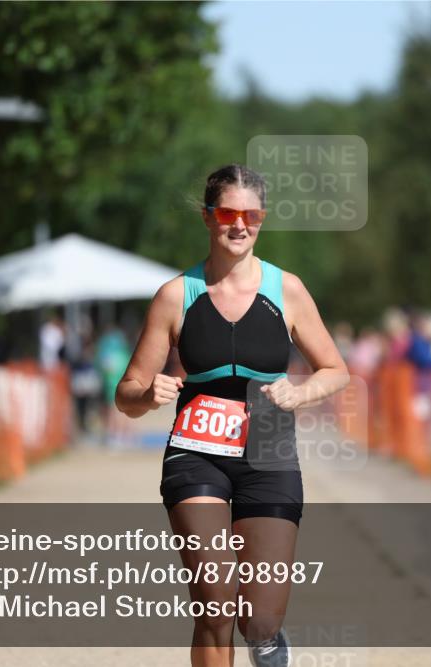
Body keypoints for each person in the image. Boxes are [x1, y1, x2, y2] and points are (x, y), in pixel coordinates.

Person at [116, 164, 348, 667]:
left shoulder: (287, 290)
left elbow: (336, 370)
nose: (239, 225)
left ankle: (268, 645)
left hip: (269, 457)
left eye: (252, 214)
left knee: (259, 620)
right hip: (196, 456)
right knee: (215, 606)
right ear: (207, 217)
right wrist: (146, 392)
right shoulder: (176, 295)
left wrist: (298, 392)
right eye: (228, 212)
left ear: (262, 219)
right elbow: (126, 394)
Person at [96, 325, 133, 446]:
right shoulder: (124, 353)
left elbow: (103, 370)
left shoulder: (106, 352)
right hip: (125, 386)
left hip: (111, 387)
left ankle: (114, 434)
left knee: (112, 411)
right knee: (125, 411)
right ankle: (124, 435)